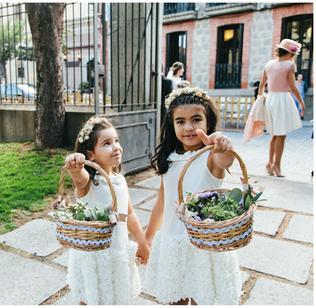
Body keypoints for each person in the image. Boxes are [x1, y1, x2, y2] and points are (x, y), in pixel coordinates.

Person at [143, 86, 241, 305]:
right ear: (172, 124)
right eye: (180, 121)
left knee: (201, 297)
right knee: (173, 298)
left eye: (196, 120)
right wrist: (148, 235)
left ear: (208, 123)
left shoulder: (210, 157)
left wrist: (222, 145)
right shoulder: (169, 158)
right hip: (172, 240)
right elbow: (162, 201)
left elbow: (225, 160)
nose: (188, 127)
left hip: (202, 245)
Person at [64, 116, 150, 305]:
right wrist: (75, 165)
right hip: (94, 255)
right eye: (107, 143)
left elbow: (129, 213)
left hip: (117, 251)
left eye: (116, 141)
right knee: (92, 297)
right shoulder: (89, 182)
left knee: (116, 297)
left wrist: (142, 242)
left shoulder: (119, 179)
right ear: (91, 155)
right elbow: (79, 176)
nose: (116, 146)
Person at [258, 38, 305, 177]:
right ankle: (276, 166)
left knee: (274, 135)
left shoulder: (269, 64)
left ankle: (269, 164)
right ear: (291, 54)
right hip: (282, 99)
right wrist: (301, 102)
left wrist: (262, 98)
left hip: (271, 99)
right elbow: (292, 86)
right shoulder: (289, 65)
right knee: (281, 135)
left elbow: (262, 85)